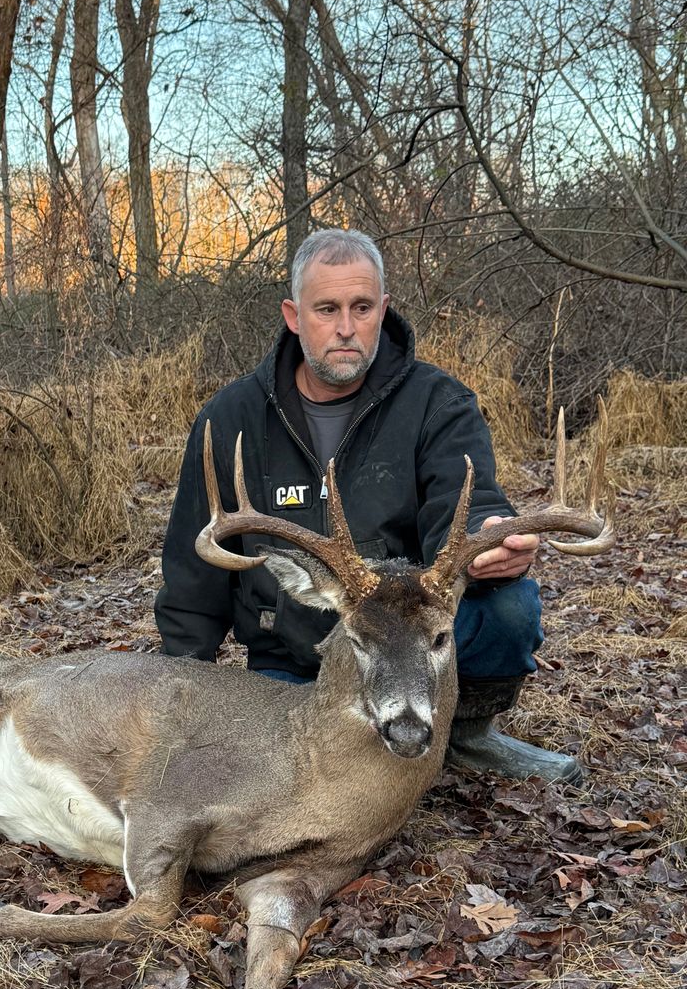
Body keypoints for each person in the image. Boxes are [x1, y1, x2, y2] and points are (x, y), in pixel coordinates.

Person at [154, 228, 583, 784]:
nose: (345, 328)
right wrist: (181, 690)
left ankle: (467, 735)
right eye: (326, 308)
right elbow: (195, 569)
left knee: (509, 606)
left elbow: (466, 501)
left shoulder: (438, 402)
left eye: (361, 308)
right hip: (292, 660)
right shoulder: (231, 417)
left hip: (408, 641)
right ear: (293, 314)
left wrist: (490, 535)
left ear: (383, 309)